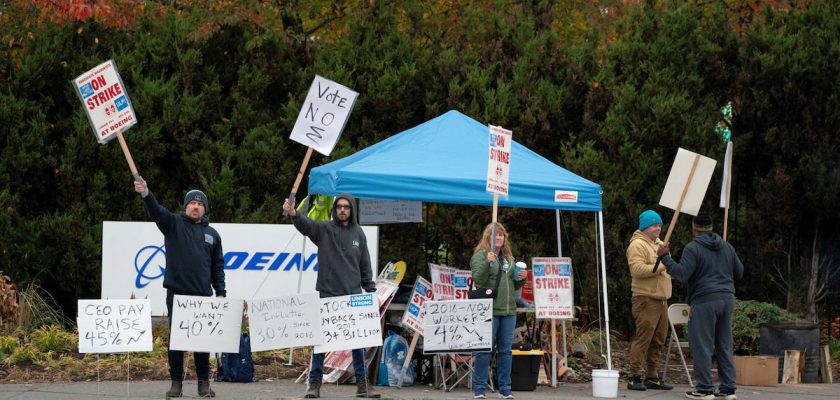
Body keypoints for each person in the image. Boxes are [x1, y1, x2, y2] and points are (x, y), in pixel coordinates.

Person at [134, 178, 226, 398]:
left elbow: (217, 266)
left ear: (205, 209)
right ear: (186, 206)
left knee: (201, 342)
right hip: (177, 296)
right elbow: (156, 210)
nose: (196, 206)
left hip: (202, 296)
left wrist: (221, 292)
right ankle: (176, 383)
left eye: (200, 204)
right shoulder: (172, 224)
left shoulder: (213, 235)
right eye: (192, 203)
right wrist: (147, 193)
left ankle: (203, 383)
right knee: (176, 341)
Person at [283, 194, 379, 399]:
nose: (342, 210)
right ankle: (314, 385)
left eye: (346, 207)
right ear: (335, 209)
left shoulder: (359, 233)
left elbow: (365, 265)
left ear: (352, 210)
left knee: (358, 343)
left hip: (353, 296)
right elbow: (306, 225)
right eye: (339, 207)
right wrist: (293, 214)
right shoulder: (324, 230)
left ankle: (363, 385)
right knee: (320, 343)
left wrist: (370, 290)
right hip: (327, 295)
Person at [659, 212, 744, 400]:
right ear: (711, 228)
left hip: (704, 300)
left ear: (694, 229)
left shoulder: (693, 248)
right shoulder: (726, 246)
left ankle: (705, 389)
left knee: (702, 345)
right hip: (727, 298)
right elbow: (739, 272)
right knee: (724, 344)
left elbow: (682, 274)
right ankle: (728, 389)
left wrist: (665, 258)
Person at [469, 223, 527, 399]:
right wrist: (488, 262)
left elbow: (513, 284)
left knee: (505, 351)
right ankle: (479, 389)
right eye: (496, 235)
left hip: (509, 310)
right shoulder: (481, 255)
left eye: (502, 235)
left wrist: (522, 279)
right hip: (490, 309)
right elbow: (478, 278)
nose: (499, 238)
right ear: (488, 237)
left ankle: (505, 389)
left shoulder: (508, 258)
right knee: (484, 350)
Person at [625, 209, 674, 391]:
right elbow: (637, 270)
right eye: (654, 225)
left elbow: (667, 267)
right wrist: (663, 264)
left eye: (660, 225)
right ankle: (634, 375)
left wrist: (668, 262)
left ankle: (652, 376)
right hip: (645, 299)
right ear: (645, 227)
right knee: (643, 338)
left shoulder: (660, 244)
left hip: (661, 299)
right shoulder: (637, 245)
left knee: (659, 339)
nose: (658, 228)